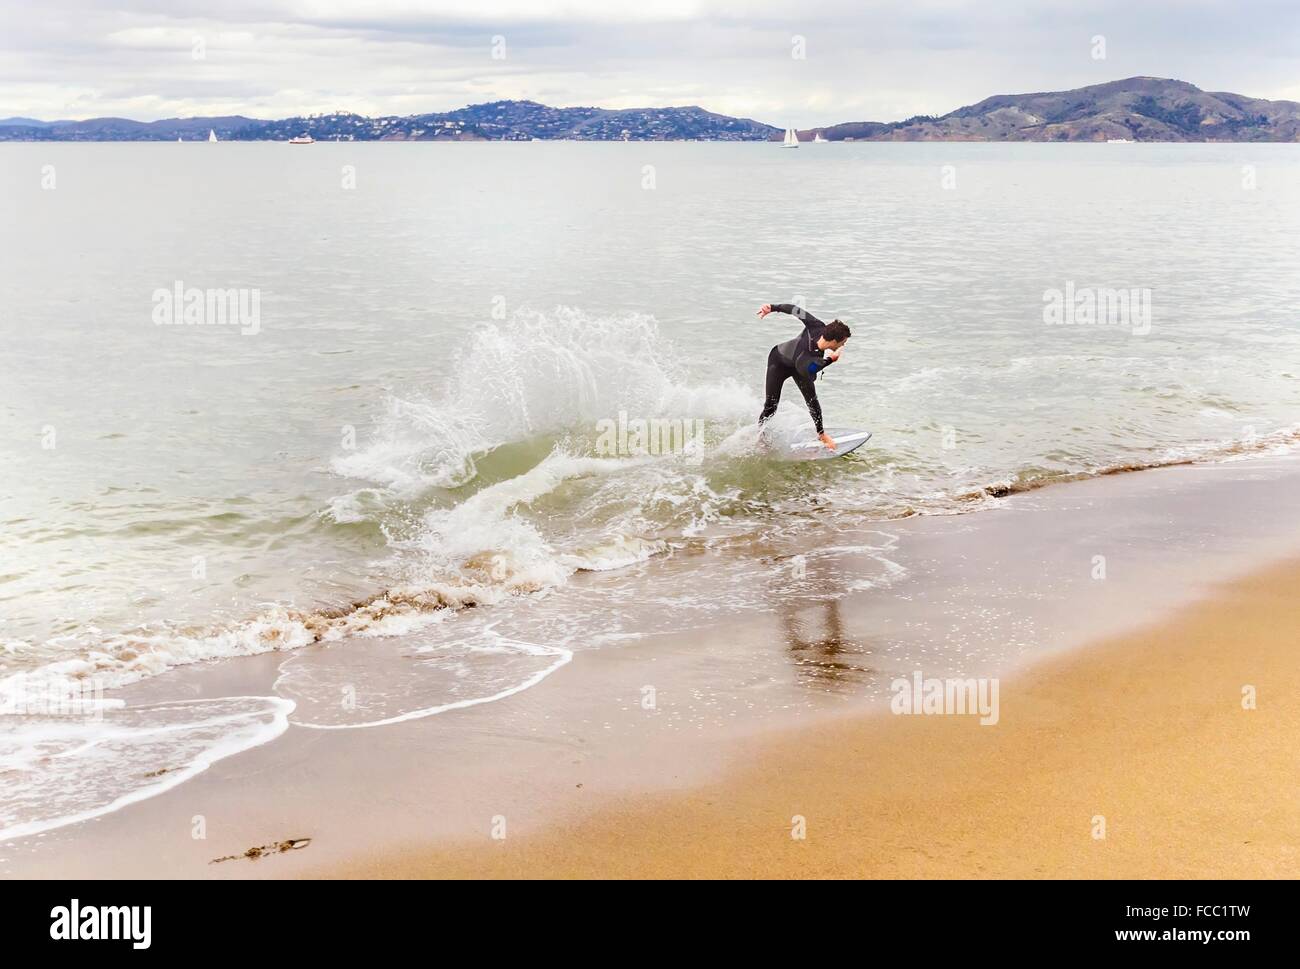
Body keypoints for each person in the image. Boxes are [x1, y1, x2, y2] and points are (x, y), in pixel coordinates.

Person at [755, 303, 851, 450]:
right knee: (771, 406)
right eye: (843, 342)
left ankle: (821, 434)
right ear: (834, 341)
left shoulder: (818, 326)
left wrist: (773, 308)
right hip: (779, 362)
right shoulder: (806, 357)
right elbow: (810, 369)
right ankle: (760, 435)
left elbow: (796, 310)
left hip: (801, 365)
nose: (844, 345)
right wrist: (830, 360)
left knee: (812, 400)